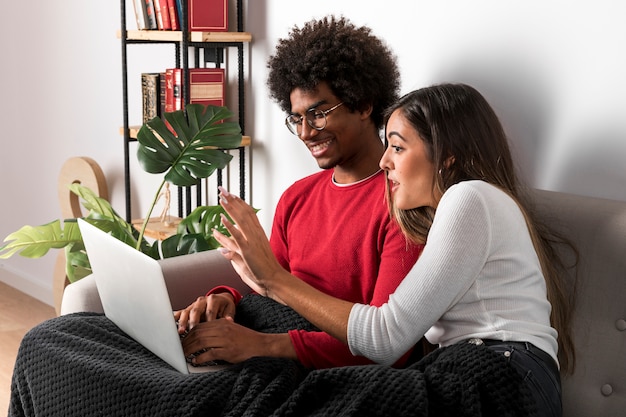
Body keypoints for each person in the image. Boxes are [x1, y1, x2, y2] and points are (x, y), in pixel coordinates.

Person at [212, 83, 575, 417]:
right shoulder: (451, 212)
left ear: (447, 156)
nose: (384, 161)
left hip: (503, 377)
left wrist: (275, 279)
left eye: (398, 147)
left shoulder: (470, 197)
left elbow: (385, 338)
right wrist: (259, 286)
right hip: (479, 369)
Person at [172, 15, 423, 369]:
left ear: (364, 105)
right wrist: (224, 300)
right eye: (297, 119)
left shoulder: (404, 205)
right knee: (76, 332)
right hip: (261, 333)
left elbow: (384, 341)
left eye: (319, 114)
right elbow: (269, 287)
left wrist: (261, 346)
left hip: (300, 359)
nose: (305, 132)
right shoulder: (297, 197)